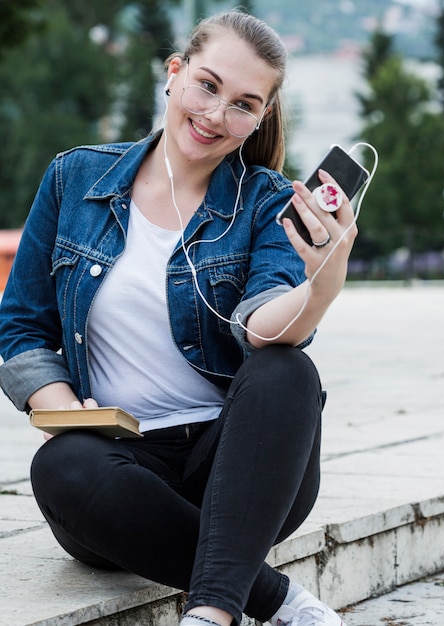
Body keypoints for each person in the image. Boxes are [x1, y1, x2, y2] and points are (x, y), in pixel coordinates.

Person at [0, 10, 356, 626]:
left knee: (287, 372)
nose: (217, 115)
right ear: (175, 73)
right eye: (208, 86)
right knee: (60, 463)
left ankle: (211, 613)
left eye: (245, 104)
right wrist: (63, 405)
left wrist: (324, 280)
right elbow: (21, 327)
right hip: (120, 470)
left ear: (262, 117)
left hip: (241, 470)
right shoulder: (73, 178)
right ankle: (276, 599)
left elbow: (259, 327)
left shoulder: (267, 201)